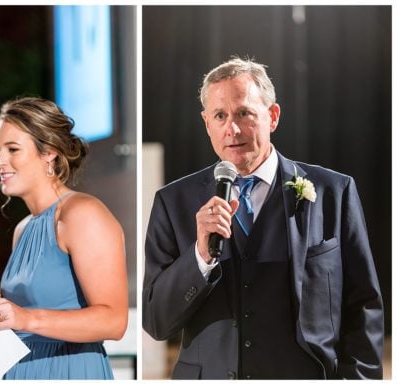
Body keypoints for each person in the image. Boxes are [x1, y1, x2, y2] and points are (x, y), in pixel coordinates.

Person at [142, 58, 383, 379]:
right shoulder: (173, 202)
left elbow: (363, 307)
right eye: (220, 116)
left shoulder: (333, 191)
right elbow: (156, 321)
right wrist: (199, 256)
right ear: (206, 123)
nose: (233, 128)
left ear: (272, 116)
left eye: (244, 113)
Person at [0, 97, 127, 380]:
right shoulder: (23, 229)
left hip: (69, 369)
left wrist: (26, 318)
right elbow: (22, 320)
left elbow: (114, 321)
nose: (0, 161)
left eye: (13, 149)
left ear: (48, 153)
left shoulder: (83, 214)